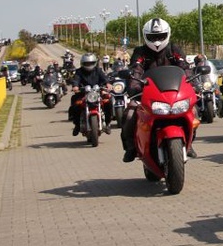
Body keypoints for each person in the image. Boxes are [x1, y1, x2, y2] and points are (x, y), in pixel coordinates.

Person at [120, 18, 194, 162]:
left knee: (194, 111)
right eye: (153, 37)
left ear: (167, 34)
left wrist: (192, 82)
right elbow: (136, 69)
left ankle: (189, 144)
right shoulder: (140, 52)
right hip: (148, 93)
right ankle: (130, 148)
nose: (157, 41)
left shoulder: (173, 49)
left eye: (160, 36)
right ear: (146, 36)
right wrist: (134, 86)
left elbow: (185, 67)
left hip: (173, 93)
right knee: (129, 115)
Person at [68, 53, 113, 136]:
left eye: (91, 63)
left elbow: (104, 78)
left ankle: (107, 123)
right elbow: (76, 79)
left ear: (94, 63)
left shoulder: (98, 70)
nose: (89, 65)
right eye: (86, 63)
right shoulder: (79, 71)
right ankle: (77, 125)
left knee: (108, 101)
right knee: (75, 103)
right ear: (83, 63)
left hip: (98, 92)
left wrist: (107, 84)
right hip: (84, 93)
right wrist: (75, 86)